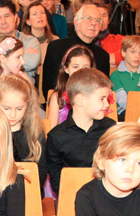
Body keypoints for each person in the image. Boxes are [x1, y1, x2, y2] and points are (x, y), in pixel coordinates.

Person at [43, 68, 116, 196]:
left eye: (107, 99)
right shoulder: (56, 137)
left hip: (107, 195)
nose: (107, 104)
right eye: (102, 98)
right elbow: (56, 178)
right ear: (80, 100)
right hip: (72, 195)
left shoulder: (110, 129)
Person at [0, 74, 46, 186]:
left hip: (28, 191)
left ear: (27, 105)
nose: (13, 115)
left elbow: (41, 172)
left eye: (19, 109)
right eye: (6, 108)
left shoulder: (35, 131)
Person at [42, 3, 112, 98]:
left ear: (100, 27)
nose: (93, 23)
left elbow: (103, 90)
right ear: (76, 23)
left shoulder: (103, 55)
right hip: (61, 103)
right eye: (88, 18)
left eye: (97, 20)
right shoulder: (57, 47)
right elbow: (50, 87)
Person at [109, 35, 140, 118]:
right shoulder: (115, 75)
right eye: (133, 52)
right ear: (123, 52)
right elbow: (121, 99)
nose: (137, 56)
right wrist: (137, 109)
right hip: (124, 111)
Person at [48, 45, 94, 124]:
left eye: (85, 68)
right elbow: (51, 128)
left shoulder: (96, 95)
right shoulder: (58, 97)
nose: (80, 71)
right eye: (75, 67)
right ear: (66, 69)